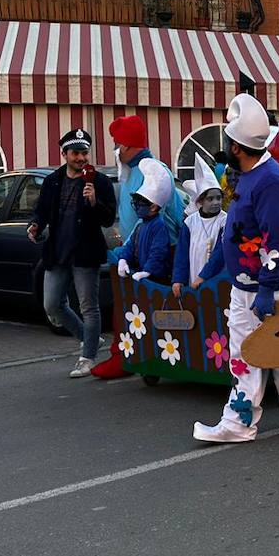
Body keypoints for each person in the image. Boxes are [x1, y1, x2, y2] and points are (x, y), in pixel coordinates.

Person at [193, 95, 279, 443]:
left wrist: (267, 286)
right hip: (246, 284)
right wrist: (212, 270)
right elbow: (235, 233)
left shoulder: (271, 182)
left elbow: (277, 240)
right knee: (243, 351)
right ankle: (239, 420)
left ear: (236, 146)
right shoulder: (248, 176)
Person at [93, 115, 185, 379]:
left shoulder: (151, 169)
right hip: (134, 253)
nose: (115, 150)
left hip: (158, 253)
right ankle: (130, 355)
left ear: (127, 145)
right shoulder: (132, 171)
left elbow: (174, 214)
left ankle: (142, 358)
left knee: (154, 307)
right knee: (133, 308)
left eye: (117, 143)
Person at [26, 128, 117, 378]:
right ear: (64, 153)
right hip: (57, 251)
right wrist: (35, 224)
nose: (81, 158)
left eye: (84, 153)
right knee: (52, 304)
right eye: (75, 153)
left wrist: (94, 202)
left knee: (89, 306)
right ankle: (89, 338)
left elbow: (108, 219)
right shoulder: (53, 180)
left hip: (86, 252)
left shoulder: (99, 182)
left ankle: (87, 358)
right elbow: (42, 210)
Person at [171, 156, 228, 300]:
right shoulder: (190, 222)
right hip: (194, 276)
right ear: (200, 201)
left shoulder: (225, 220)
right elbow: (182, 253)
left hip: (216, 278)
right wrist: (178, 279)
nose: (216, 202)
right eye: (210, 199)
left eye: (218, 198)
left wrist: (204, 276)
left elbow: (220, 253)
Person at [108, 159, 173, 284]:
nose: (136, 207)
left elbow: (158, 252)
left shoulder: (159, 226)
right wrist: (123, 259)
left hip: (156, 280)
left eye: (140, 204)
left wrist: (148, 271)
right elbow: (130, 246)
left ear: (153, 207)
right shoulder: (141, 225)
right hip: (142, 276)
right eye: (135, 203)